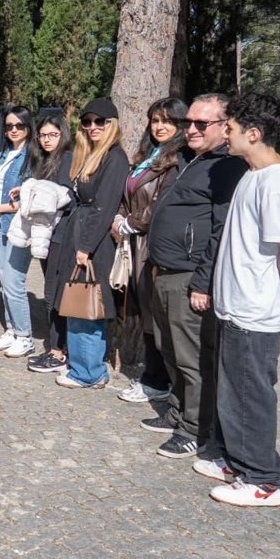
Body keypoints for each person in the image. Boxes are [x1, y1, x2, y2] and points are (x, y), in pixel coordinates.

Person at [195, 92, 280, 507]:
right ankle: (234, 461)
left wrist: (278, 294)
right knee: (232, 391)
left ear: (253, 134)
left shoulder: (277, 184)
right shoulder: (252, 175)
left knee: (251, 394)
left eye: (232, 128)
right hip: (234, 304)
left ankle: (263, 480)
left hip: (253, 310)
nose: (225, 133)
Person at [144, 93, 247, 459]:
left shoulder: (227, 166)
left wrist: (203, 282)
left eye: (202, 123)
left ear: (224, 126)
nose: (192, 129)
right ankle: (177, 412)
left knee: (191, 358)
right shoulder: (190, 158)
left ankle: (195, 429)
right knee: (169, 349)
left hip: (189, 278)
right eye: (188, 122)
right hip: (165, 270)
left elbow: (220, 231)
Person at [43, 99, 129, 389]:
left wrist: (86, 247)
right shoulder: (91, 154)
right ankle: (80, 365)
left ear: (112, 124)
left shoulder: (115, 157)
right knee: (75, 302)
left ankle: (90, 372)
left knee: (88, 305)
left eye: (100, 121)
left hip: (95, 240)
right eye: (87, 122)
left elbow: (104, 206)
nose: (93, 127)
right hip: (79, 233)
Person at [112, 98, 186, 403]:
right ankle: (153, 376)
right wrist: (119, 218)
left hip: (152, 245)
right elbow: (128, 195)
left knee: (154, 315)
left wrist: (131, 223)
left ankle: (158, 380)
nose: (160, 126)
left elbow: (162, 203)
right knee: (144, 311)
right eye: (155, 120)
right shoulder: (147, 155)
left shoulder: (178, 160)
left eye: (167, 121)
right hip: (133, 243)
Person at [0, 106, 36, 358]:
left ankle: (25, 336)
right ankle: (12, 330)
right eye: (9, 126)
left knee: (14, 281)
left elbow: (31, 198)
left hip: (18, 226)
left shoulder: (32, 157)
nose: (14, 130)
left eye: (19, 126)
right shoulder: (5, 154)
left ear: (28, 128)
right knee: (3, 279)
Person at [24, 114, 76, 374]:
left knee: (55, 294)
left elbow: (65, 197)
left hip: (60, 235)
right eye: (43, 135)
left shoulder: (67, 159)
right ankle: (56, 347)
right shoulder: (42, 161)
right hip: (45, 234)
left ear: (63, 135)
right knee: (50, 291)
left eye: (52, 135)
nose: (46, 140)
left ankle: (59, 351)